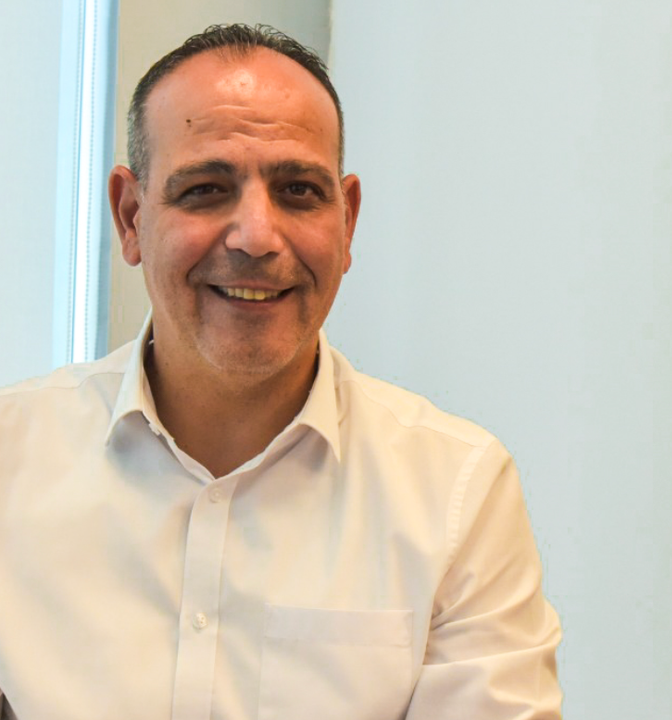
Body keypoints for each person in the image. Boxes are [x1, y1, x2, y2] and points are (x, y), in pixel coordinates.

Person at [0, 24, 561, 720]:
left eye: (298, 191)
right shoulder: (11, 461)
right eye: (206, 190)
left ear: (347, 222)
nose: (257, 238)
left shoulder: (457, 491)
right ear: (131, 217)